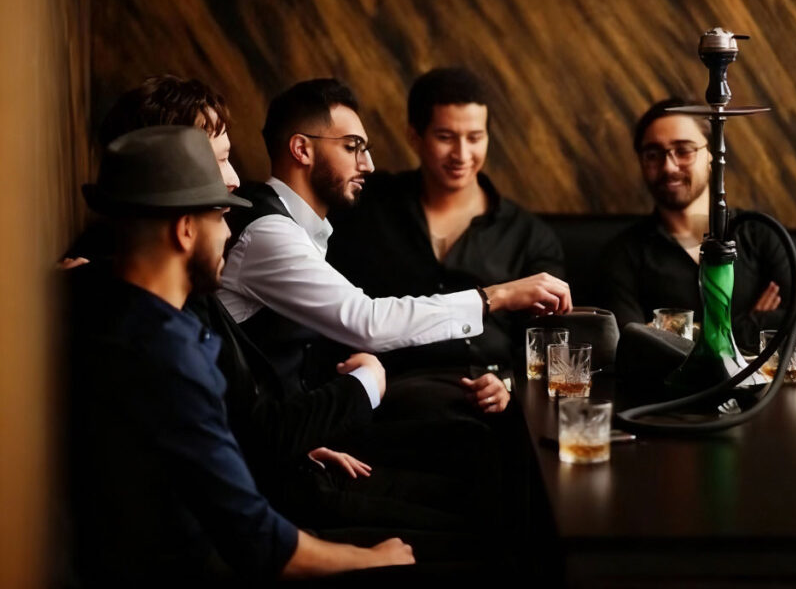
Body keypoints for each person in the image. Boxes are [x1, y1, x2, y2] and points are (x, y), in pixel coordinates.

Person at [69, 74, 493, 536]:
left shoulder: (175, 294)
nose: (234, 180)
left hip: (291, 454)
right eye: (221, 159)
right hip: (276, 490)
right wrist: (494, 299)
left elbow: (243, 423)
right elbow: (366, 326)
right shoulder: (162, 323)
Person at [66, 125, 413, 585]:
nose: (230, 231)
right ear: (186, 229)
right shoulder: (166, 358)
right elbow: (260, 543)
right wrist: (372, 559)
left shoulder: (112, 305)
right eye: (221, 216)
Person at [217, 78, 572, 406]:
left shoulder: (302, 226)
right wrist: (498, 295)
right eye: (352, 147)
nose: (367, 164)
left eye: (475, 137)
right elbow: (367, 322)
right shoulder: (270, 232)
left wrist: (509, 383)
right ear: (302, 150)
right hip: (377, 402)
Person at [327, 67, 565, 413]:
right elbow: (329, 301)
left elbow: (550, 342)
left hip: (485, 403)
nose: (462, 154)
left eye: (474, 137)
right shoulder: (367, 207)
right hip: (382, 394)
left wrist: (509, 384)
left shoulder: (529, 236)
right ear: (414, 136)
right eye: (445, 136)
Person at [600, 98, 796, 354]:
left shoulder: (761, 233)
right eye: (653, 154)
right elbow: (631, 345)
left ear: (712, 153)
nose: (668, 166)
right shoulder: (622, 254)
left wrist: (674, 332)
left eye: (684, 150)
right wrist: (750, 323)